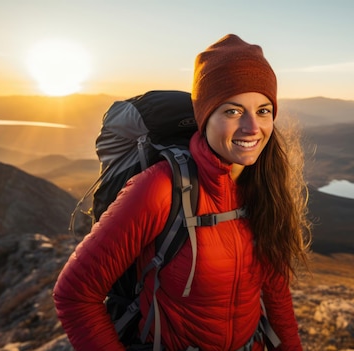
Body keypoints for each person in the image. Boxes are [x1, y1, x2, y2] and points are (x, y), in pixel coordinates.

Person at [53, 33, 311, 350]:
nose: (252, 127)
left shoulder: (263, 185)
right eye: (232, 111)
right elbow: (75, 293)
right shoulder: (160, 188)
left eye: (263, 110)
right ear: (205, 117)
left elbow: (274, 288)